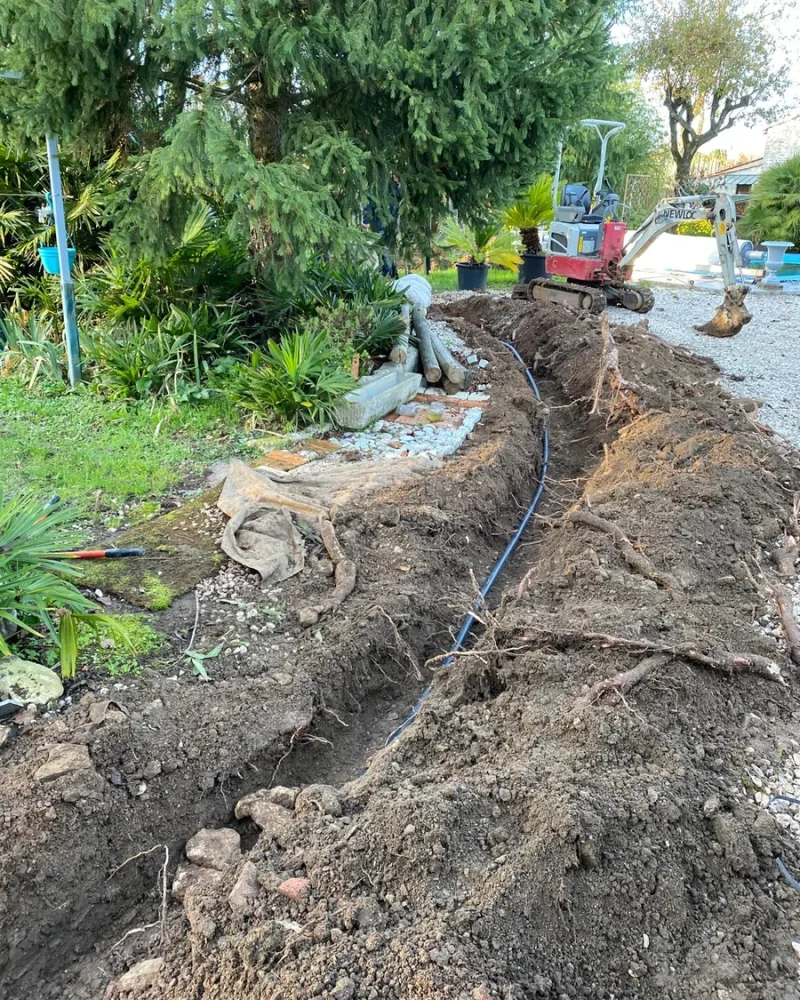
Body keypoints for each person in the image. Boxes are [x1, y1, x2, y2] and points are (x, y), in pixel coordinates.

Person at [362, 176, 401, 277]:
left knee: (384, 249)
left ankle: (387, 274)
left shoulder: (376, 187)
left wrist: (366, 220)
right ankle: (390, 273)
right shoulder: (393, 188)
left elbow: (368, 203)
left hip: (381, 223)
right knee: (386, 248)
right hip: (387, 222)